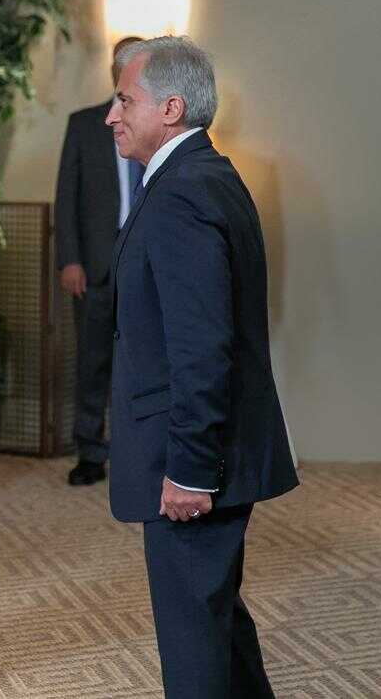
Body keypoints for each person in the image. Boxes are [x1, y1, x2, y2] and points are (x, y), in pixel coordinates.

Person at [104, 36, 298, 698]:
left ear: (171, 108)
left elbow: (202, 347)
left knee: (194, 647)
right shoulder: (204, 175)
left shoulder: (181, 193)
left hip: (191, 462)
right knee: (215, 620)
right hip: (210, 450)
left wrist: (188, 470)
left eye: (124, 99)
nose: (112, 115)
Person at [54, 34, 143, 486]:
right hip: (94, 266)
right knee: (92, 361)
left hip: (145, 263)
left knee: (143, 360)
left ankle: (139, 451)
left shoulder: (158, 124)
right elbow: (66, 196)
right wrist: (69, 260)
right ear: (113, 71)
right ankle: (90, 451)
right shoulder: (85, 124)